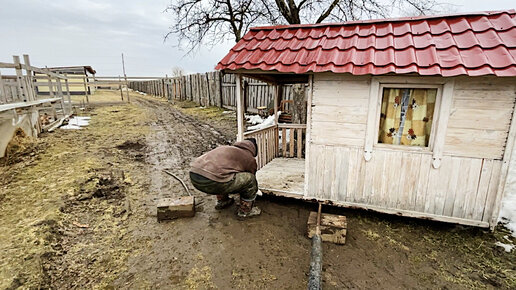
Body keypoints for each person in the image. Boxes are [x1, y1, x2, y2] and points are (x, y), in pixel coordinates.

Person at [189, 138, 261, 218]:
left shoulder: (226, 149)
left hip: (194, 174)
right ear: (253, 150)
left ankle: (223, 201)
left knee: (224, 173)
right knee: (250, 180)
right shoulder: (249, 158)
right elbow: (251, 177)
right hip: (212, 181)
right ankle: (245, 210)